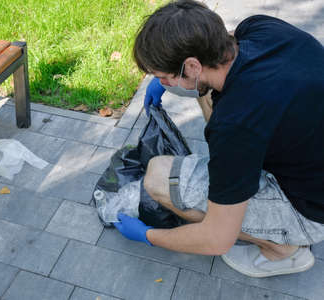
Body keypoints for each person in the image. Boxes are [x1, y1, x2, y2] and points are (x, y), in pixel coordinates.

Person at [114, 0, 324, 277]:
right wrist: (172, 80)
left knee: (157, 177)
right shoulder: (260, 27)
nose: (164, 83)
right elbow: (216, 84)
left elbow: (216, 239)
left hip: (311, 210)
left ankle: (281, 251)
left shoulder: (235, 125)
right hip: (307, 148)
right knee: (207, 93)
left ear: (191, 65)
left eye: (164, 77)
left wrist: (148, 235)